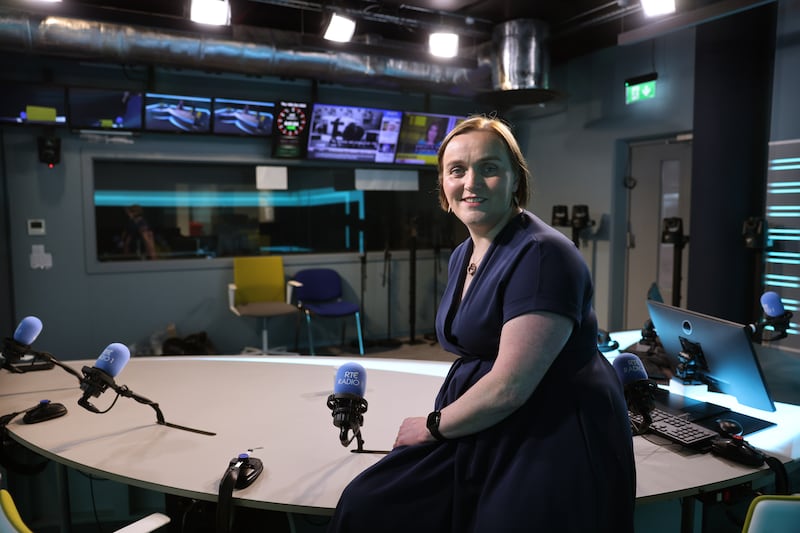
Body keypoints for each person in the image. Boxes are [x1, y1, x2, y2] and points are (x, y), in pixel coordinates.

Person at [327, 116, 636, 533]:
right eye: (457, 170)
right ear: (444, 186)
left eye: (489, 168)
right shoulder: (464, 254)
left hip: (549, 430)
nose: (471, 182)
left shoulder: (543, 255)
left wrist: (433, 425)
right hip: (489, 419)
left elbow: (510, 387)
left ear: (514, 181)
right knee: (367, 502)